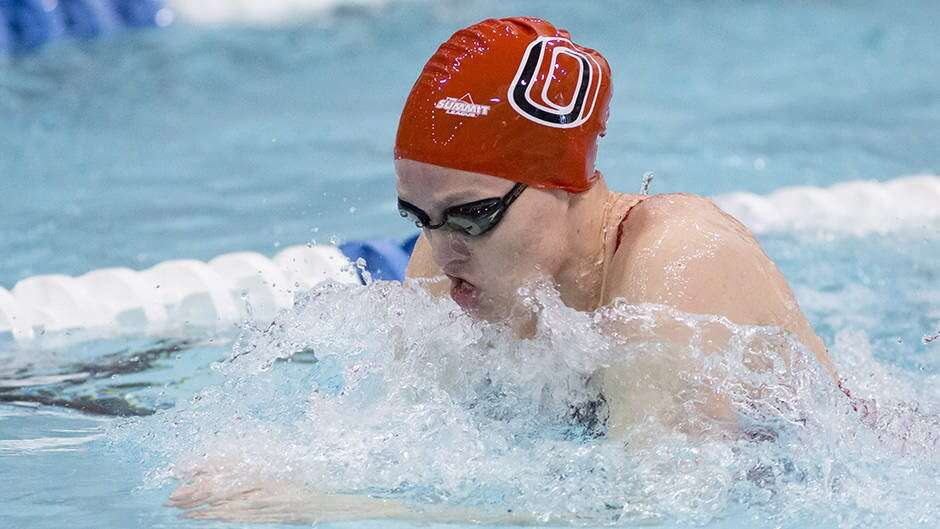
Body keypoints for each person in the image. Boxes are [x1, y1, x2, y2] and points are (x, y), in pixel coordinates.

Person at [395, 16, 839, 438]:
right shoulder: (444, 261)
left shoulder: (674, 264)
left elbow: (672, 488)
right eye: (418, 217)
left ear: (560, 184)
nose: (443, 252)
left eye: (473, 216)